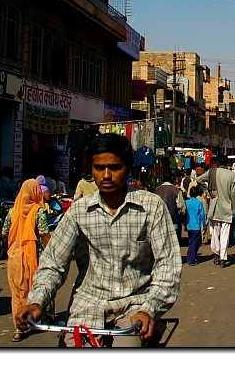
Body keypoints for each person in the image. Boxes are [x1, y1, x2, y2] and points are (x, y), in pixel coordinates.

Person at [15, 133, 182, 347]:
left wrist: (149, 309)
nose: (106, 175)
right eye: (99, 168)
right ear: (91, 168)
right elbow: (53, 263)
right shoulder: (79, 212)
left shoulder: (151, 207)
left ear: (128, 168)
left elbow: (168, 267)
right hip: (87, 309)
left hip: (135, 309)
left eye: (114, 168)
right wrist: (37, 300)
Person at [2, 179, 51, 341]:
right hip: (34, 256)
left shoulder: (12, 212)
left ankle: (19, 328)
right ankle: (43, 318)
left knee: (18, 292)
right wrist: (53, 252)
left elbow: (4, 233)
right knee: (37, 287)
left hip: (14, 257)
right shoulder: (39, 211)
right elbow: (44, 234)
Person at [202, 155, 235, 267]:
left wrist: (207, 191)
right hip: (227, 209)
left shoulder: (211, 172)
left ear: (217, 163)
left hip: (214, 207)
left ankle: (216, 255)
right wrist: (234, 210)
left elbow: (199, 180)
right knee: (225, 235)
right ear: (227, 164)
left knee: (214, 234)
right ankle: (223, 258)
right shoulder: (232, 175)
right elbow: (234, 195)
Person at [154, 175, 185, 244]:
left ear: (162, 178)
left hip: (159, 221)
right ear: (171, 178)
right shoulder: (176, 190)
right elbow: (181, 206)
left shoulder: (156, 190)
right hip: (173, 221)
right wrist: (182, 216)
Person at [183, 186, 207, 266]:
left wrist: (184, 223)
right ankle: (192, 259)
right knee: (195, 242)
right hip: (196, 225)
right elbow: (203, 215)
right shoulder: (199, 203)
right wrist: (204, 224)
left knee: (191, 241)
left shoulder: (186, 202)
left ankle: (190, 256)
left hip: (189, 224)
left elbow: (184, 213)